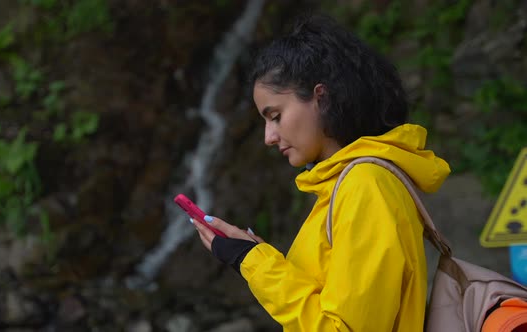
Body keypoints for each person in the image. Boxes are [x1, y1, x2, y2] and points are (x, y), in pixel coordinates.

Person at [190, 14, 450, 331]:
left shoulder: (367, 186)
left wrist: (255, 263)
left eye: (276, 116)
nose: (268, 137)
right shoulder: (344, 185)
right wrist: (253, 255)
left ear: (321, 97)